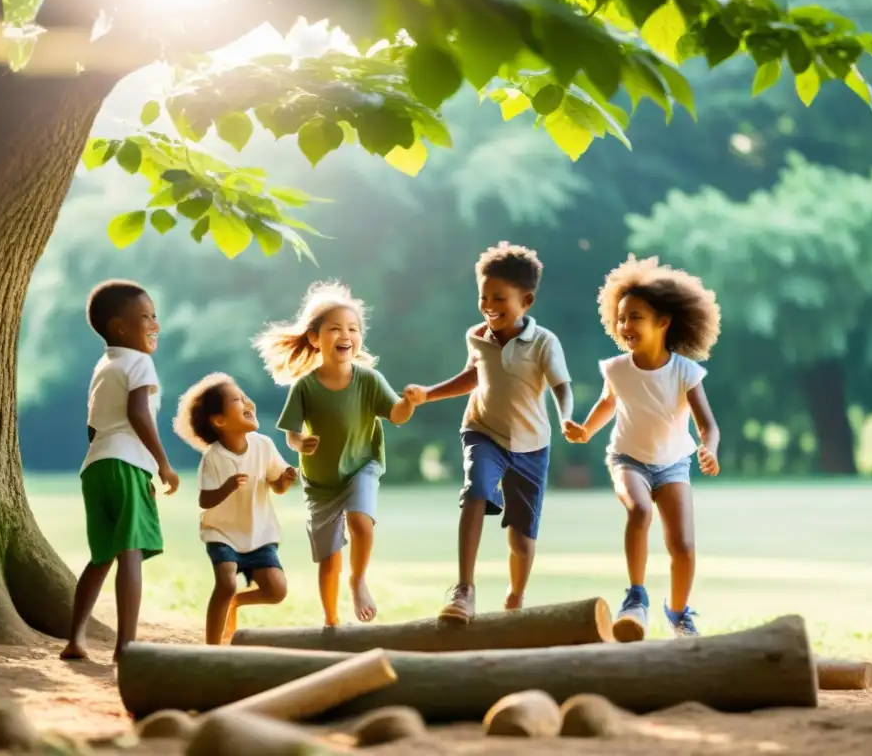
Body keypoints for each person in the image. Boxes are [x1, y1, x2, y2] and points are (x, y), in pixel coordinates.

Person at [403, 242, 573, 623]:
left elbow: (561, 386)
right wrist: (429, 394)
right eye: (483, 296)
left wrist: (566, 418)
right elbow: (473, 377)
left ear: (526, 301)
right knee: (477, 491)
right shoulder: (476, 336)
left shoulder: (544, 342)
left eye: (500, 298)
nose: (489, 305)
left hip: (532, 445)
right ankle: (464, 588)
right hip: (482, 432)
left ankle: (515, 597)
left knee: (522, 539)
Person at [562, 254, 722, 641]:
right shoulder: (617, 368)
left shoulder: (685, 371)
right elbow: (607, 403)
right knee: (639, 511)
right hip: (627, 458)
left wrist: (709, 449)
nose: (624, 325)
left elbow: (708, 425)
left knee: (682, 546)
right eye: (621, 317)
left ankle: (679, 613)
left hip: (673, 465)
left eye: (635, 316)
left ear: (663, 322)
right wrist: (585, 430)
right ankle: (636, 598)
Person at [253, 281, 419, 627]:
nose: (346, 334)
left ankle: (358, 581)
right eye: (335, 328)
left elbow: (397, 416)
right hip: (321, 480)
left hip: (362, 464)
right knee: (329, 558)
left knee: (360, 521)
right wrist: (300, 443)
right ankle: (330, 622)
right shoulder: (306, 386)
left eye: (353, 329)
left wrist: (409, 403)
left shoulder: (370, 380)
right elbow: (291, 434)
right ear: (315, 338)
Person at [61, 279, 180, 663]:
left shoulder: (105, 365)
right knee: (130, 552)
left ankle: (75, 639)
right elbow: (138, 413)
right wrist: (162, 463)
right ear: (120, 327)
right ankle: (126, 646)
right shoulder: (140, 362)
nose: (155, 324)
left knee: (101, 556)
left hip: (96, 467)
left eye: (155, 315)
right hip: (126, 463)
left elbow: (94, 425)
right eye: (145, 316)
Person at [173, 372, 298, 645]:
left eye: (244, 396)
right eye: (237, 399)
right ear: (219, 421)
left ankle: (236, 603)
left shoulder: (263, 445)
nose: (247, 402)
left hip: (258, 534)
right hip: (222, 533)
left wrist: (285, 479)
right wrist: (227, 487)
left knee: (277, 590)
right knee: (226, 583)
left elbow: (276, 486)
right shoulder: (214, 457)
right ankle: (213, 647)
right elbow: (205, 500)